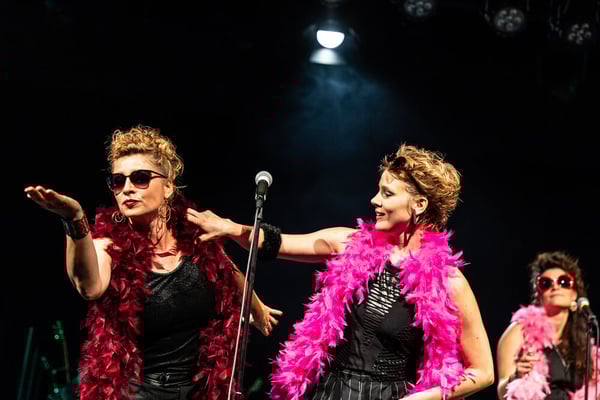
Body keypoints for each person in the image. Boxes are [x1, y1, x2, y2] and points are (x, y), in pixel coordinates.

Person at [188, 144, 495, 400]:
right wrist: (232, 228)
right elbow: (276, 243)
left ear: (419, 204)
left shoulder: (449, 281)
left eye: (387, 194)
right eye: (378, 191)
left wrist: (419, 398)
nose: (375, 200)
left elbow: (483, 372)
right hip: (330, 392)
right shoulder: (348, 243)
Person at [24, 125, 282, 400]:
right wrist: (74, 219)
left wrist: (257, 307)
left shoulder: (195, 240)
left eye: (140, 178)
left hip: (200, 392)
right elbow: (89, 287)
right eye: (118, 181)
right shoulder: (108, 246)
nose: (127, 189)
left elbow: (229, 271)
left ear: (168, 186)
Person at [496, 251, 599, 400]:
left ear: (574, 294)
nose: (555, 287)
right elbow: (501, 392)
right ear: (538, 294)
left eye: (564, 282)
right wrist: (516, 375)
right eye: (546, 283)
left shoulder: (582, 342)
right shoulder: (519, 331)